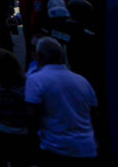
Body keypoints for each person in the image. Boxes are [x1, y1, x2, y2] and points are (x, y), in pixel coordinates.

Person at [23, 37, 97, 167]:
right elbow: (94, 112)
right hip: (86, 147)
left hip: (55, 147)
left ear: (39, 56)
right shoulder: (82, 81)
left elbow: (31, 116)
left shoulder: (36, 80)